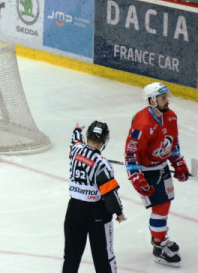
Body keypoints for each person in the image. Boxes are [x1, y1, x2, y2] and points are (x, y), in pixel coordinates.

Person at [125, 82, 191, 267]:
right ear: (152, 101)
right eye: (162, 98)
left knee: (165, 204)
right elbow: (131, 154)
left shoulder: (171, 117)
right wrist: (136, 177)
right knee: (160, 207)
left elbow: (173, 142)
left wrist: (177, 163)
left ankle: (159, 239)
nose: (166, 100)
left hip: (161, 166)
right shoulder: (142, 123)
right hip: (146, 171)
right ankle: (159, 246)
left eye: (165, 97)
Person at [64, 121, 125, 273]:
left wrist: (77, 129)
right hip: (96, 213)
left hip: (74, 210)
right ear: (104, 142)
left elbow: (75, 140)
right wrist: (118, 211)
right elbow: (109, 192)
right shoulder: (102, 163)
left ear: (88, 136)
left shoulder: (76, 150)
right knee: (103, 256)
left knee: (71, 255)